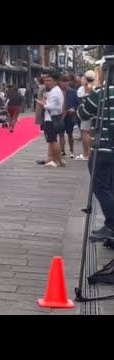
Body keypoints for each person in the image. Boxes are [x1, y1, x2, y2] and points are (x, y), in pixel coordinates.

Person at [77, 60, 114, 241]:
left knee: (100, 185)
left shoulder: (101, 93)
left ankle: (111, 225)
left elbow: (82, 114)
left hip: (105, 147)